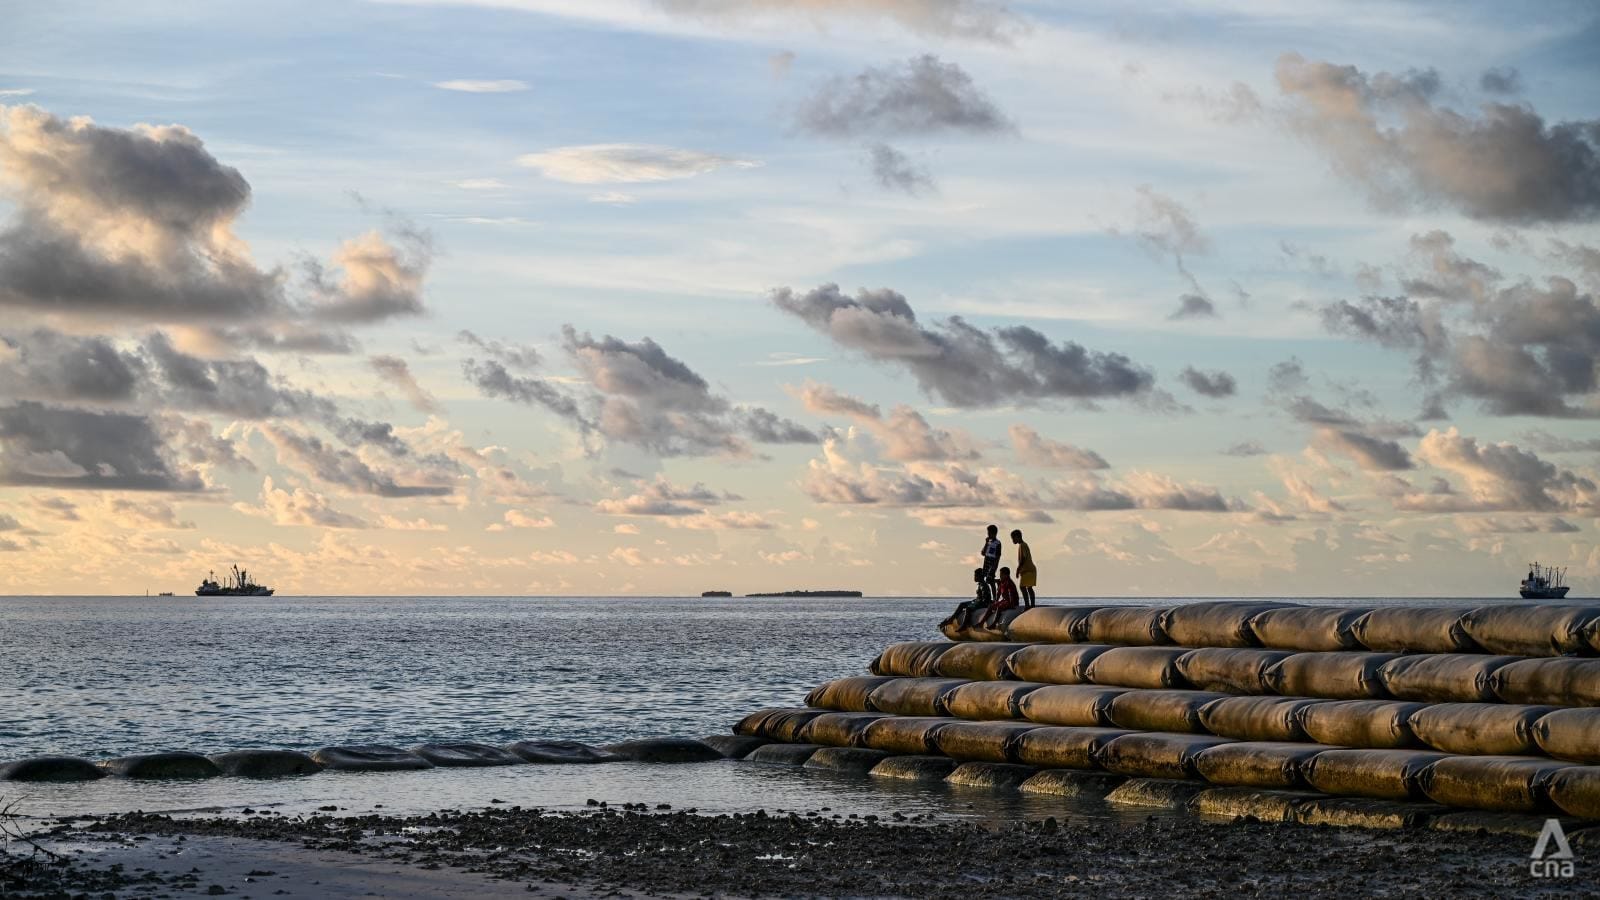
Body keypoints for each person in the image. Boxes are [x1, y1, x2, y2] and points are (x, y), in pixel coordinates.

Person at [1011, 529, 1037, 608]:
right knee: (1028, 588)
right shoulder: (1022, 545)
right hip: (1029, 570)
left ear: (1017, 537)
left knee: (1023, 587)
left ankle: (1028, 605)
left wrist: (1018, 569)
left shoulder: (1023, 545)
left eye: (1013, 538)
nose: (1012, 540)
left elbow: (1023, 559)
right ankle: (1031, 605)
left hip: (1029, 570)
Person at [979, 524, 1002, 602]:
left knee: (990, 580)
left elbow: (998, 556)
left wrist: (995, 566)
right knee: (985, 579)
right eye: (987, 533)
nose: (988, 534)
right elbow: (983, 553)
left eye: (989, 533)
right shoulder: (988, 542)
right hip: (986, 561)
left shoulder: (998, 543)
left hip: (993, 562)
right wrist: (986, 543)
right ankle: (984, 596)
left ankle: (995, 598)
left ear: (994, 533)